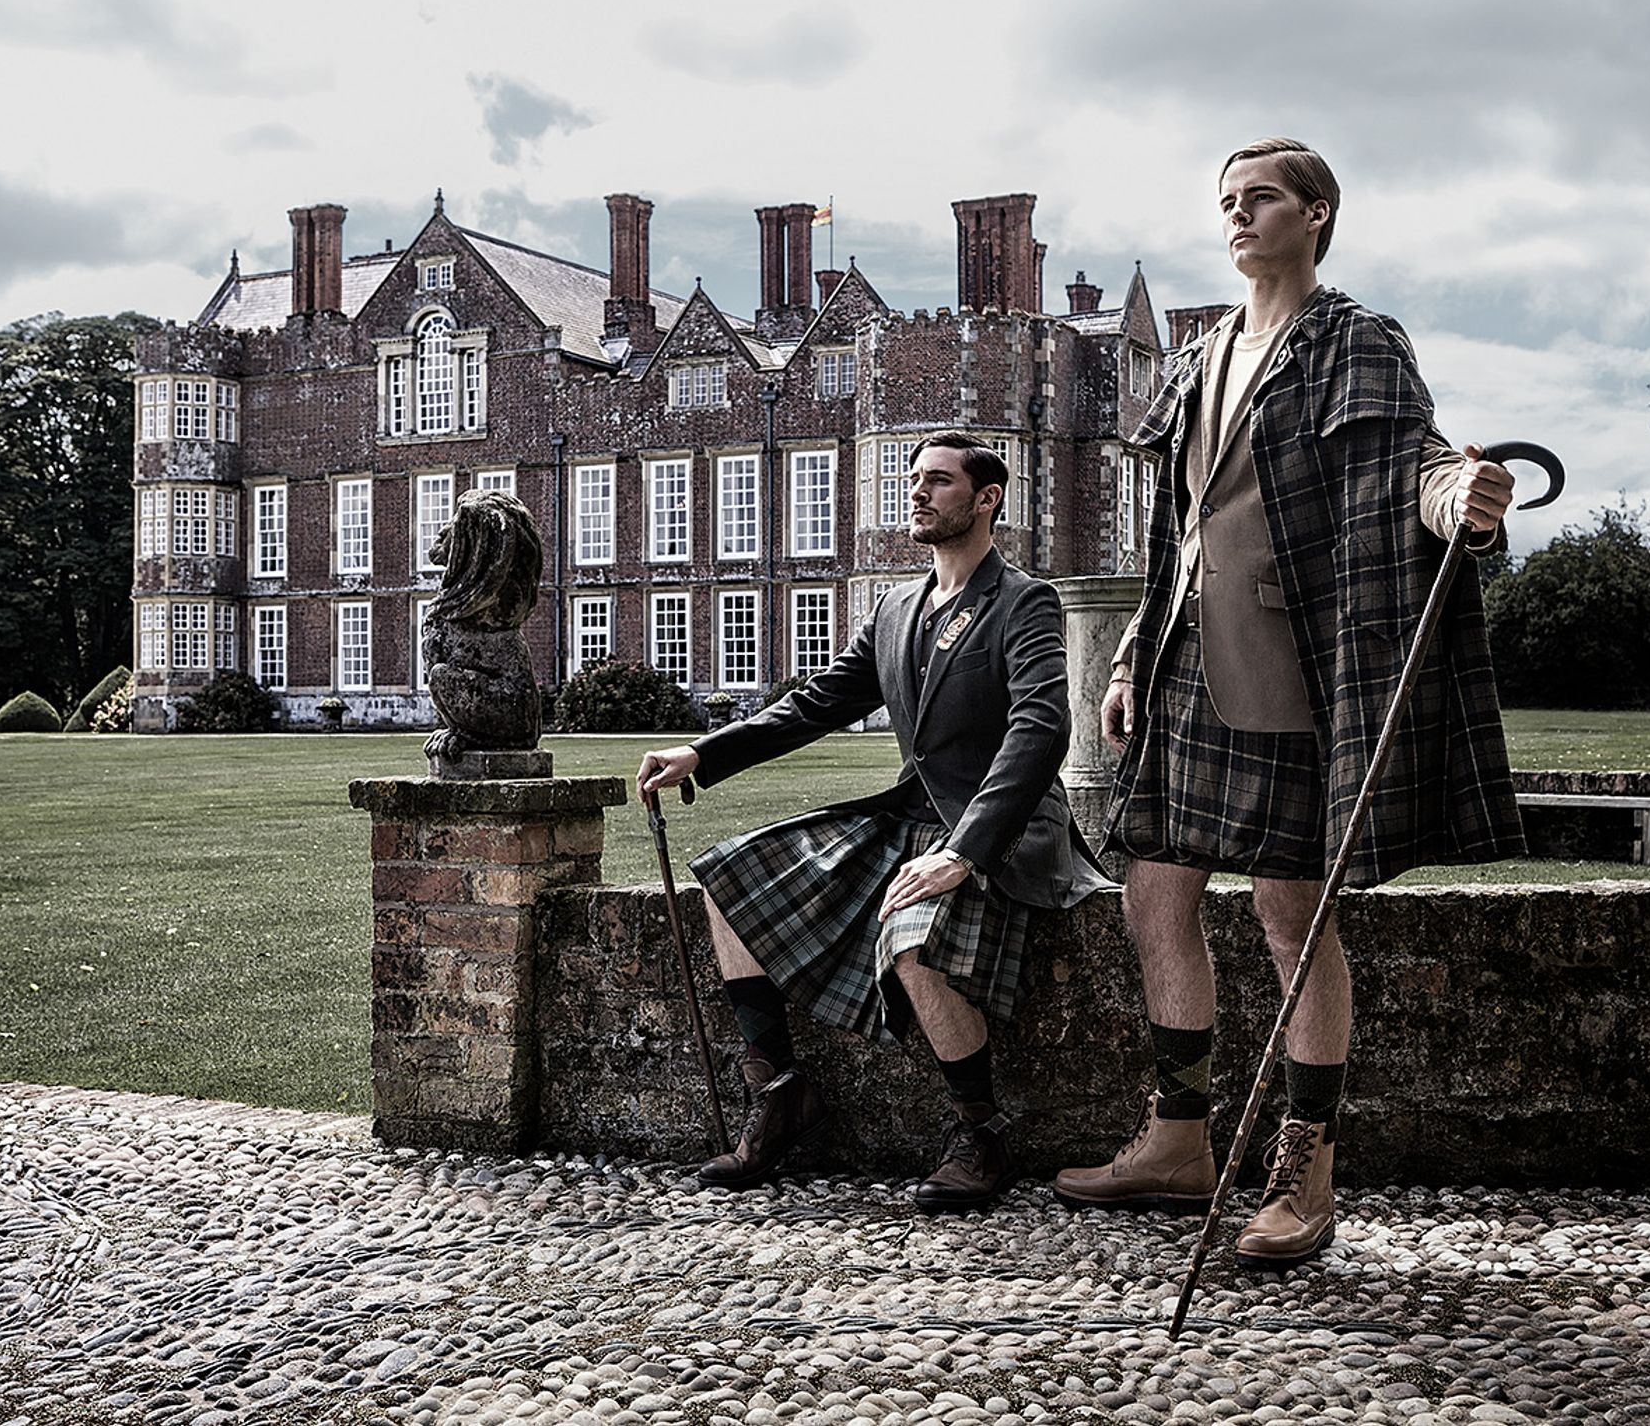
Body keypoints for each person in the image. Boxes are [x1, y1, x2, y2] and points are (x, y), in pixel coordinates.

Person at [1050, 138, 1522, 1263]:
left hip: (1290, 673)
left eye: (1258, 197)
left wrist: (1461, 490)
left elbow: (1408, 467)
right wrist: (1124, 660)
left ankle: (1303, 1169)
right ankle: (1177, 1139)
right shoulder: (1202, 351)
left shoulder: (1356, 341)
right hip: (1181, 670)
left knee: (1288, 921)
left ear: (1315, 215)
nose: (1236, 214)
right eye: (1225, 200)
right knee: (1149, 897)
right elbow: (1170, 534)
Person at [638, 431, 1109, 1212]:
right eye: (913, 480)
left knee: (911, 933)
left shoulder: (1024, 601)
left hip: (1003, 827)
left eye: (939, 482)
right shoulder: (896, 607)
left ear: (988, 498)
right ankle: (782, 1093)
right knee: (728, 882)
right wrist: (701, 752)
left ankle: (982, 1135)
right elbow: (815, 704)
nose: (916, 494)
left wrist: (962, 853)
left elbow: (1040, 731)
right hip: (910, 816)